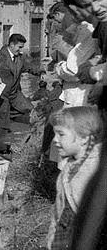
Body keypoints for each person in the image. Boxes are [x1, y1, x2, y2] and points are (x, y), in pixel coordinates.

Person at [45, 106, 103, 249]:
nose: (54, 140)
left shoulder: (93, 172)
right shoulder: (71, 165)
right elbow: (58, 211)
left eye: (61, 134)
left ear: (84, 138)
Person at [0, 34, 44, 130]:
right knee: (3, 121)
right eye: (19, 47)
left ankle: (21, 124)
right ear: (11, 45)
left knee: (31, 110)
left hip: (14, 94)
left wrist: (42, 72)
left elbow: (29, 68)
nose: (20, 50)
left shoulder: (20, 57)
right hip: (0, 96)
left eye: (22, 47)